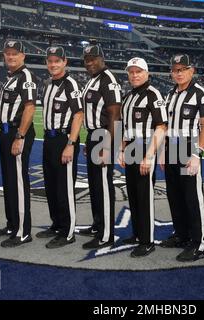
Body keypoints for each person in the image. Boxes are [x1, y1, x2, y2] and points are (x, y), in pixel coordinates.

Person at [160, 54, 204, 262]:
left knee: (192, 197)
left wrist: (198, 152)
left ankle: (199, 243)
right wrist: (163, 151)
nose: (179, 73)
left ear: (192, 70)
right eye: (175, 70)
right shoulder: (171, 94)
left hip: (188, 148)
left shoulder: (200, 93)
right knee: (175, 195)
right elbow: (166, 125)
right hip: (172, 147)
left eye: (183, 69)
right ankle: (181, 235)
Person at [118, 57, 167, 257]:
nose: (135, 75)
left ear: (147, 73)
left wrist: (149, 156)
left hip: (145, 148)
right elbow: (124, 126)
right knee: (134, 194)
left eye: (138, 71)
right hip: (130, 147)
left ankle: (147, 241)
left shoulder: (153, 94)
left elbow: (161, 126)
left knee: (144, 196)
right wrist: (121, 150)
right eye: (131, 72)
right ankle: (138, 234)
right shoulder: (128, 96)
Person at [36, 46, 84, 249]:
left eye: (57, 61)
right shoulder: (48, 84)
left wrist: (71, 144)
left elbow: (78, 114)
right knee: (52, 186)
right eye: (50, 61)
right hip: (49, 139)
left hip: (64, 140)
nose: (53, 64)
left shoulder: (70, 83)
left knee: (64, 188)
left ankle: (68, 231)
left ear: (65, 62)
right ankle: (56, 224)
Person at [0, 40, 37, 248]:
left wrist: (19, 136)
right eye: (7, 54)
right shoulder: (11, 78)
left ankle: (22, 231)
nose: (10, 57)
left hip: (17, 133)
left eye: (14, 54)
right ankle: (12, 224)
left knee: (19, 183)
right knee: (9, 182)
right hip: (5, 134)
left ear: (23, 56)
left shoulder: (26, 76)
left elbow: (29, 108)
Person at [79, 44, 122, 249]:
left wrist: (107, 144)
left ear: (102, 58)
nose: (90, 63)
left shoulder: (108, 79)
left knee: (104, 186)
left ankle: (107, 235)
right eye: (87, 60)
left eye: (93, 58)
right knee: (95, 185)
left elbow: (115, 114)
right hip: (94, 136)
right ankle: (98, 224)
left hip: (105, 135)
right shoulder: (93, 80)